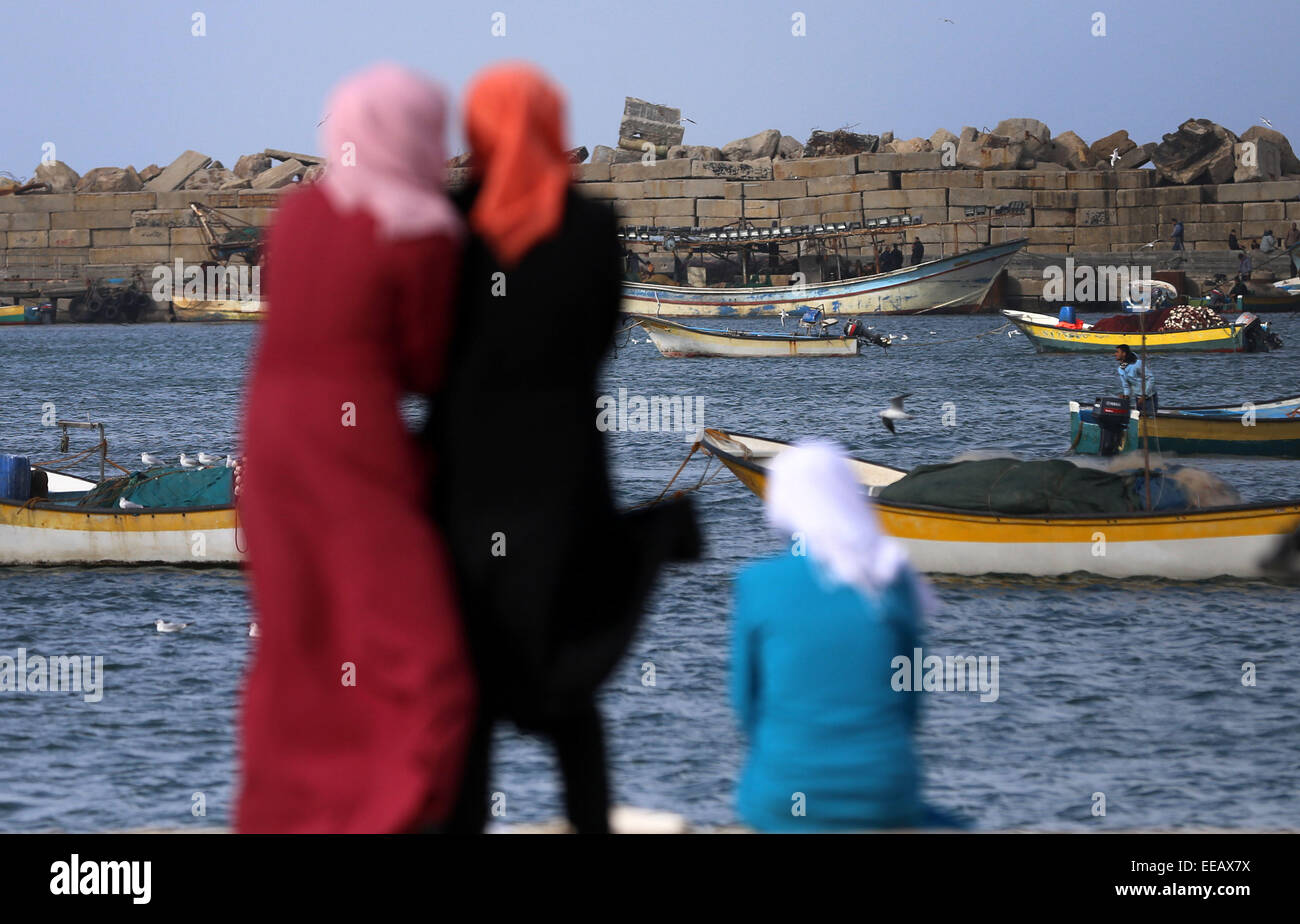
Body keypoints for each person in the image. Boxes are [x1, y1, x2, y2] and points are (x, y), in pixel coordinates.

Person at [426, 63, 699, 834]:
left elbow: (426, 344)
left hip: (466, 477)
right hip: (563, 471)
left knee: (471, 693)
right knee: (570, 699)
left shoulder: (449, 224)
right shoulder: (590, 229)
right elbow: (598, 339)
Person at [236, 64, 474, 833]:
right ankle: (388, 806)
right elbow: (429, 361)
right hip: (353, 438)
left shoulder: (299, 215)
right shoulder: (423, 229)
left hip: (269, 435)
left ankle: (291, 810)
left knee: (299, 638)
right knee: (424, 648)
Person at [731, 442, 961, 832]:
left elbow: (745, 706)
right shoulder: (891, 577)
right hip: (884, 796)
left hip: (779, 797)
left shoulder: (757, 582)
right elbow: (911, 706)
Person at [1115, 344, 1157, 416]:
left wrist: (1144, 395)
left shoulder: (1137, 363)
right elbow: (1126, 386)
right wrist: (1126, 396)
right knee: (1139, 419)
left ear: (1124, 353)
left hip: (1149, 397)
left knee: (1150, 419)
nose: (1115, 354)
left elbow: (1150, 378)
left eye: (1117, 352)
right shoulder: (1121, 369)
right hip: (1138, 398)